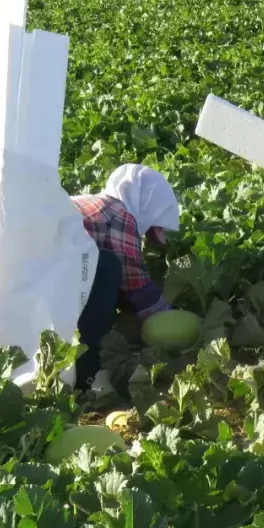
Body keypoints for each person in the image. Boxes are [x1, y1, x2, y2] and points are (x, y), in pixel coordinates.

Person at [70, 163, 181, 388]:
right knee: (108, 267)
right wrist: (164, 313)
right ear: (148, 204)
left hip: (36, 269)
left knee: (103, 270)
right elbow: (133, 279)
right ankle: (87, 369)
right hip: (58, 269)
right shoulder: (121, 214)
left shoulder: (91, 202)